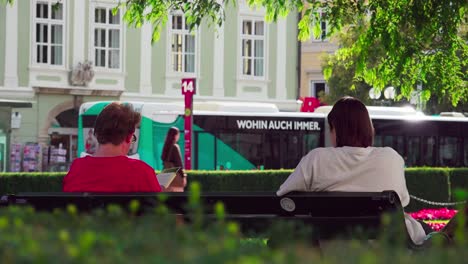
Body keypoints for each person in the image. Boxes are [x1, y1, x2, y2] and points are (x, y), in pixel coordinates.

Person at [277, 96, 427, 246]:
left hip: (336, 253)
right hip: (388, 253)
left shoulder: (317, 159)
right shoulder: (391, 158)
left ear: (335, 129)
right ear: (368, 128)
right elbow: (403, 201)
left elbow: (282, 196)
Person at [63, 102, 162, 192]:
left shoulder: (77, 168)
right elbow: (157, 209)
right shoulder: (142, 172)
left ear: (96, 133)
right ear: (129, 137)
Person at [161, 127, 187, 192]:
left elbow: (163, 159)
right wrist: (183, 176)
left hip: (165, 176)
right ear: (175, 136)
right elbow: (179, 163)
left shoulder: (166, 146)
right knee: (177, 199)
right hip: (175, 178)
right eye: (178, 135)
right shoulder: (175, 147)